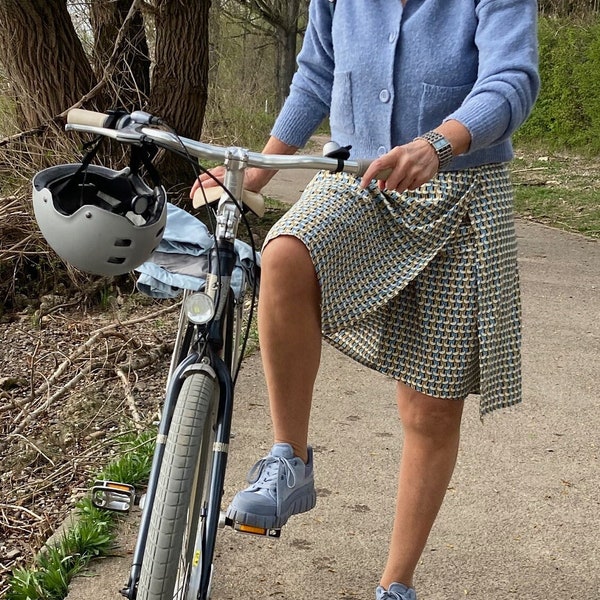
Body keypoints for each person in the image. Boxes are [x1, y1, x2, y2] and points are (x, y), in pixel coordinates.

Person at [191, 1, 539, 598]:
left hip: (460, 189)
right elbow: (316, 74)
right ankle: (289, 458)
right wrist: (260, 171)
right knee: (284, 255)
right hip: (359, 180)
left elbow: (513, 80)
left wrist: (441, 144)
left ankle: (395, 583)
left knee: (429, 409)